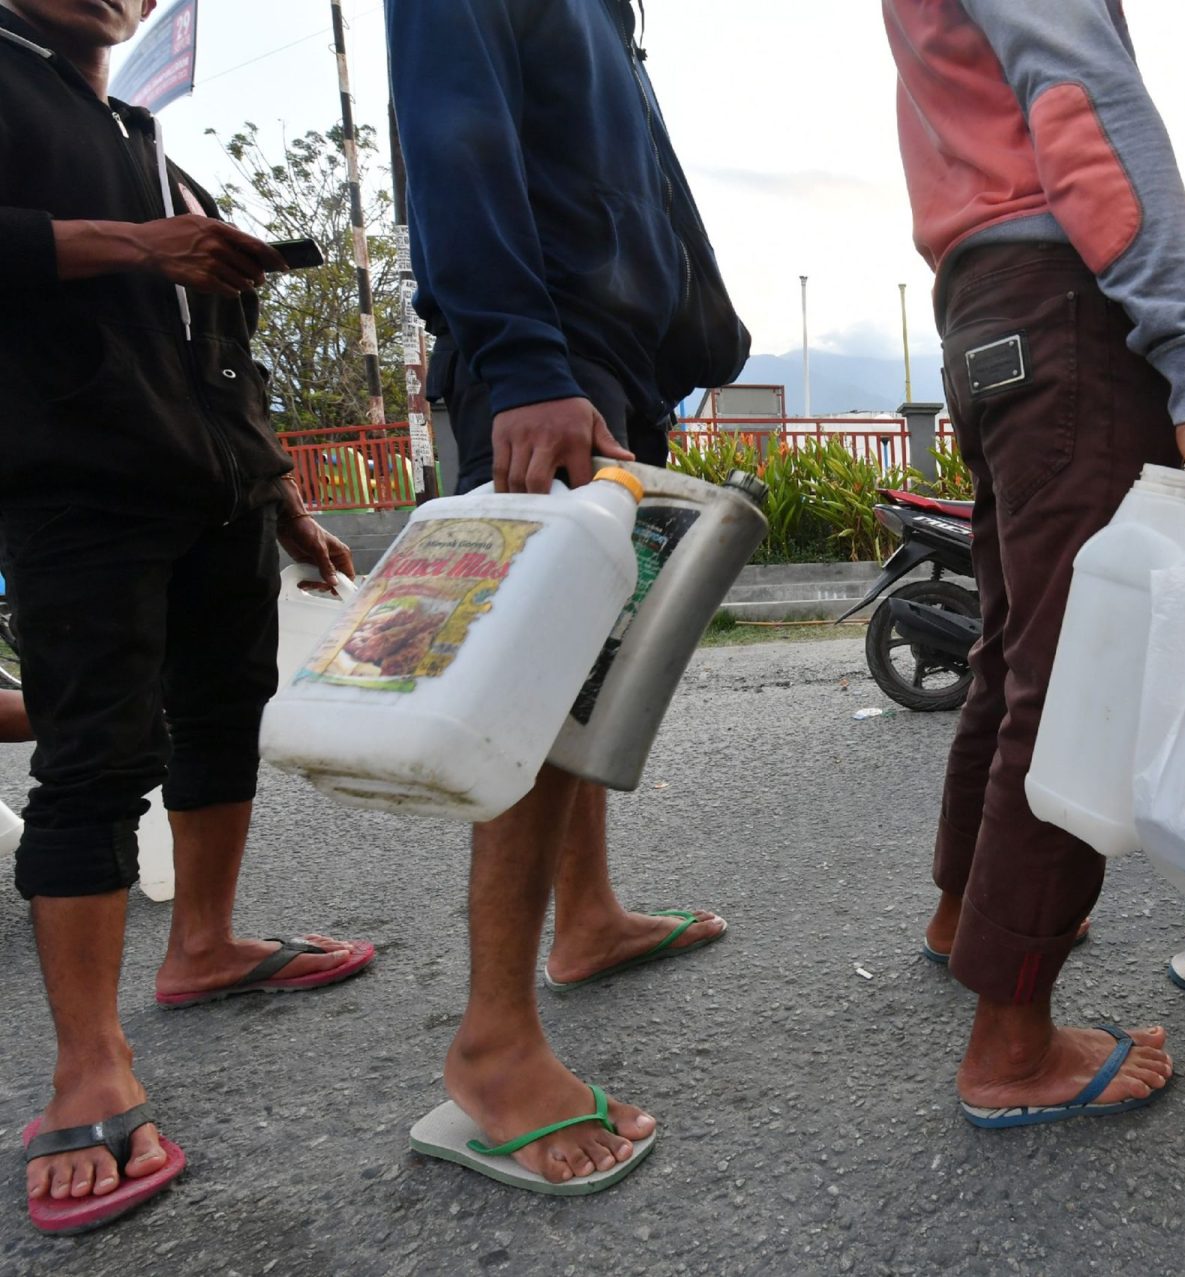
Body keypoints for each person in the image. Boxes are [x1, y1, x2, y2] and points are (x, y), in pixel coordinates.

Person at [0, 0, 375, 1234]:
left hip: (211, 487)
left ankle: (203, 943)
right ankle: (86, 1067)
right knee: (95, 757)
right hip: (75, 486)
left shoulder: (143, 129)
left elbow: (225, 356)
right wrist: (135, 244)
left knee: (225, 716)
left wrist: (280, 500)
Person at [885, 0, 1185, 1129]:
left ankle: (968, 917)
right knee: (1078, 684)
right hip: (1064, 299)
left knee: (1021, 656)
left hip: (984, 298)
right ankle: (1011, 1041)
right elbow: (1082, 108)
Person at [386, 0, 748, 1191]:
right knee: (536, 681)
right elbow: (453, 131)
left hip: (606, 352)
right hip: (544, 349)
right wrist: (525, 357)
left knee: (589, 660)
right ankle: (491, 1045)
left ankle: (586, 916)